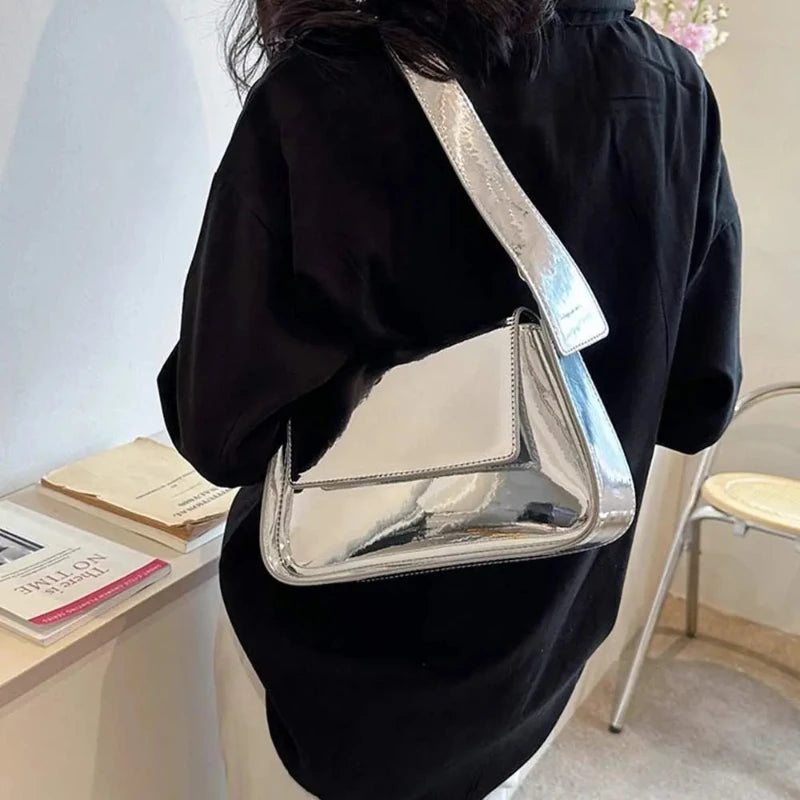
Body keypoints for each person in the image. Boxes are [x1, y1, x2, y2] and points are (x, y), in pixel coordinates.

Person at [158, 0, 742, 797]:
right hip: (540, 663)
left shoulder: (325, 89)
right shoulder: (675, 89)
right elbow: (699, 402)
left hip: (328, 678)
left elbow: (220, 431)